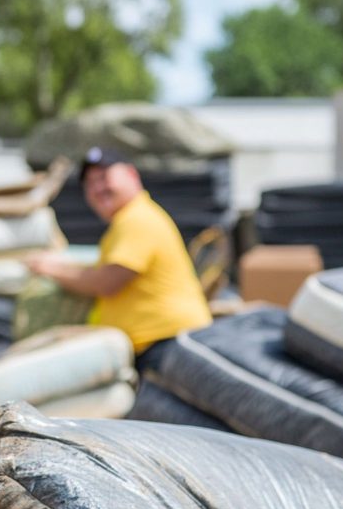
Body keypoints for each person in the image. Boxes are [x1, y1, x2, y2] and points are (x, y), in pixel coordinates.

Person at [25, 146, 212, 371]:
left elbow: (106, 282)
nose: (98, 188)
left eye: (104, 177)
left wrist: (50, 268)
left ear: (132, 175)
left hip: (169, 344)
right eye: (90, 184)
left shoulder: (136, 219)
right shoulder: (126, 222)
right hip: (157, 346)